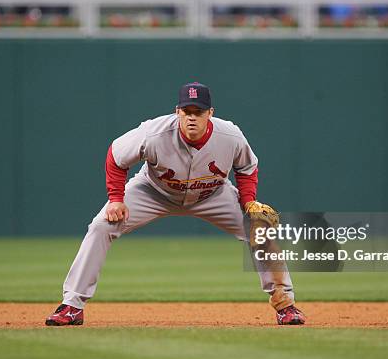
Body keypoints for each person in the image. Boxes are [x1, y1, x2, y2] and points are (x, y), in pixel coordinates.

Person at [45, 82, 305, 326]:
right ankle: (72, 305)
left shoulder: (230, 135)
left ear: (210, 113)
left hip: (212, 195)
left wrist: (248, 202)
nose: (192, 117)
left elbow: (247, 168)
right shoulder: (154, 132)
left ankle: (286, 306)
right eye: (186, 110)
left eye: (199, 111)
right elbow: (115, 155)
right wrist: (116, 199)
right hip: (153, 191)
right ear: (177, 111)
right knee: (101, 226)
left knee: (258, 229)